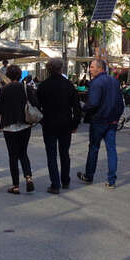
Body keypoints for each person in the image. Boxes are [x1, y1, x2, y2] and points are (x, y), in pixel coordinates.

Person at [77, 58, 125, 189]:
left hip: (99, 120)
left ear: (100, 68)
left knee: (94, 148)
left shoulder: (96, 83)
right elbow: (120, 103)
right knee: (111, 149)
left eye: (92, 67)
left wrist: (83, 108)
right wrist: (116, 116)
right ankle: (111, 180)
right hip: (112, 120)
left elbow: (93, 103)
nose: (90, 69)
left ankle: (89, 175)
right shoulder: (114, 82)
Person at [37, 58, 81, 194]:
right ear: (61, 68)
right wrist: (75, 123)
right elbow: (76, 107)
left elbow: (36, 105)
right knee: (64, 153)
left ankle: (55, 184)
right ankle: (65, 180)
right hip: (65, 124)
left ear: (48, 70)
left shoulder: (43, 86)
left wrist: (42, 120)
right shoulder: (68, 85)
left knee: (51, 155)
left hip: (49, 124)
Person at [0, 65, 35, 194]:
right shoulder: (26, 88)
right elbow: (35, 103)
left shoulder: (4, 90)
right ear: (20, 75)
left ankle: (16, 185)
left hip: (9, 126)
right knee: (23, 153)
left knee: (13, 156)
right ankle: (28, 177)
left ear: (8, 76)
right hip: (25, 124)